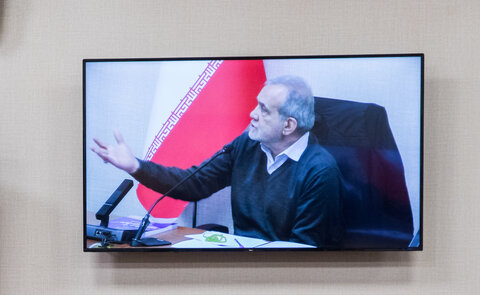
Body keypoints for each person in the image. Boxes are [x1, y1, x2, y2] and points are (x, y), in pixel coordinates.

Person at [92, 75, 343, 247]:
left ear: (288, 125)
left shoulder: (320, 171)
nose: (252, 114)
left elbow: (304, 251)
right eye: (257, 105)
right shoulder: (248, 143)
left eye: (264, 109)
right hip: (242, 260)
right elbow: (193, 184)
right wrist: (135, 166)